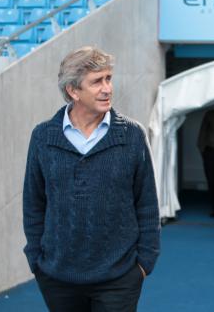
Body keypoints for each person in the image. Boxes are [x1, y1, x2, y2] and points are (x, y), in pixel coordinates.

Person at [22, 46, 160, 312]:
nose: (107, 88)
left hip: (119, 279)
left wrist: (144, 263)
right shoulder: (42, 137)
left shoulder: (132, 135)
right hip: (57, 279)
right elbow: (33, 203)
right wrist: (36, 260)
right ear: (73, 91)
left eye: (108, 79)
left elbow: (147, 204)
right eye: (97, 82)